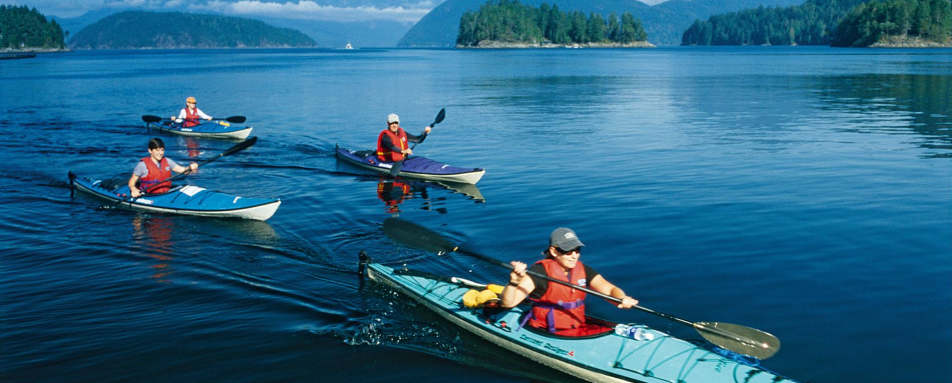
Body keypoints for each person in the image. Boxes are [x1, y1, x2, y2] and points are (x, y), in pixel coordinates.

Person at [501, 227, 639, 337]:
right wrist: (514, 281)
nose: (574, 256)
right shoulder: (539, 273)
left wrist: (621, 298)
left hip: (576, 326)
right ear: (554, 251)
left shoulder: (583, 270)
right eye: (568, 251)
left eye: (577, 250)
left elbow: (609, 290)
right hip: (548, 330)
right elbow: (508, 303)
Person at [127, 138, 198, 197]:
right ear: (150, 151)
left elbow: (182, 170)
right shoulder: (142, 165)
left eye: (162, 150)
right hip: (150, 195)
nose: (160, 153)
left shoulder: (167, 161)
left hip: (166, 193)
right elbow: (131, 182)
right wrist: (133, 189)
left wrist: (190, 168)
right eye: (157, 150)